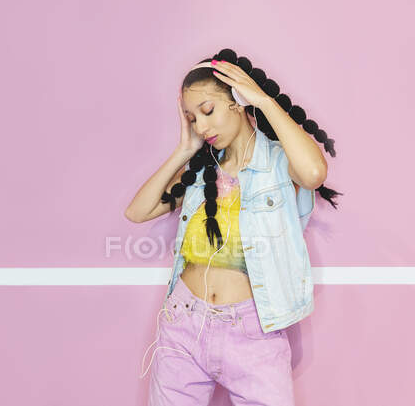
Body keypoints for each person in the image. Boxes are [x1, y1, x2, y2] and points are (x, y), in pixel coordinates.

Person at [125, 48, 342, 406]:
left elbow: (315, 173)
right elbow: (138, 211)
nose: (201, 126)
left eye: (207, 111)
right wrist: (184, 149)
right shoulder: (199, 173)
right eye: (192, 118)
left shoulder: (279, 162)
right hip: (182, 323)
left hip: (254, 331)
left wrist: (265, 102)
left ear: (237, 101)